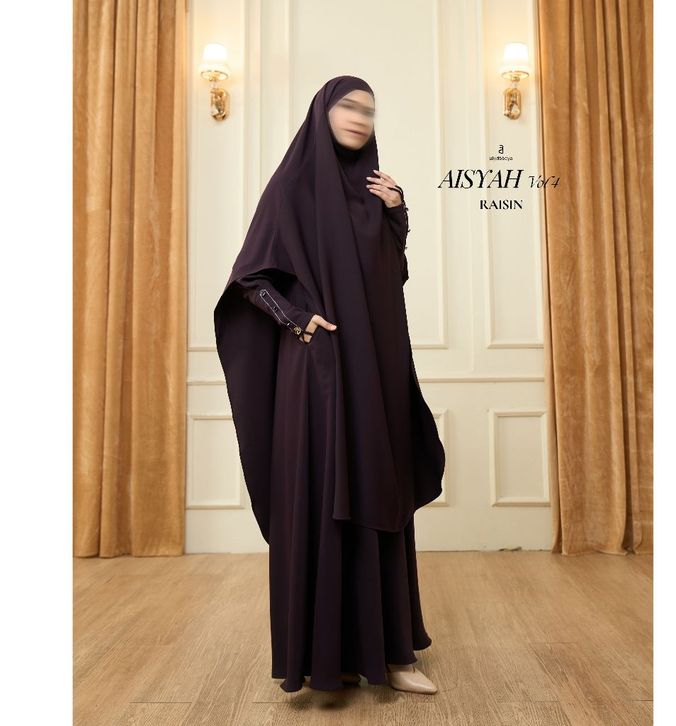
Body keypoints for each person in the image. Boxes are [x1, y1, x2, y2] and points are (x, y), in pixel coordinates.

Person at [213, 75, 445, 694]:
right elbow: (250, 278)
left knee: (379, 484)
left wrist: (397, 214)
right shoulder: (291, 189)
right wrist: (297, 319)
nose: (361, 117)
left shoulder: (375, 195)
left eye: (369, 109)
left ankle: (394, 656)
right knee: (324, 495)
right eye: (349, 105)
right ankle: (324, 657)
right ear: (323, 112)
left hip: (376, 366)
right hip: (317, 373)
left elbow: (390, 276)